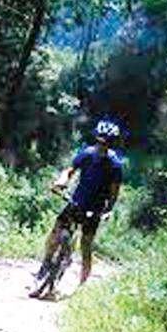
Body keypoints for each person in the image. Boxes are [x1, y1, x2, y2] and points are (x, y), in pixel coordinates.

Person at [29, 119, 124, 297]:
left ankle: (82, 286)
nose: (102, 146)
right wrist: (61, 181)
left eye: (107, 143)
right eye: (100, 141)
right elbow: (70, 170)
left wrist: (108, 209)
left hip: (94, 209)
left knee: (86, 245)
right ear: (96, 139)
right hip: (76, 201)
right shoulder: (86, 154)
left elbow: (114, 191)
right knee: (55, 232)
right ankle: (46, 263)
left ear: (112, 144)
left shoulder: (115, 165)